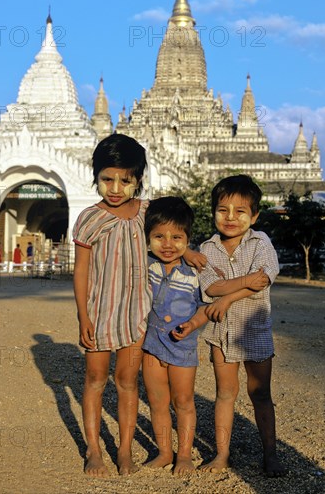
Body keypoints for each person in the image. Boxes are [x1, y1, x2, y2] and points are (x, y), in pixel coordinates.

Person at [72, 134, 206, 477]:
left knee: (128, 381)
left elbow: (169, 234)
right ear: (96, 177)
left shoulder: (147, 213)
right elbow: (82, 271)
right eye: (107, 179)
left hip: (136, 314)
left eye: (125, 180)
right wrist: (83, 315)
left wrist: (188, 251)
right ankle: (93, 451)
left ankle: (125, 450)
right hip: (100, 312)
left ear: (139, 180)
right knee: (95, 379)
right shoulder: (89, 219)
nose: (115, 187)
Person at [198, 174, 286, 477]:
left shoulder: (261, 242)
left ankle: (270, 454)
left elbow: (264, 280)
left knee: (260, 393)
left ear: (255, 215)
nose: (230, 218)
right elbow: (211, 289)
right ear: (213, 212)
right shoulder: (206, 249)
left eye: (240, 211)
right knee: (225, 393)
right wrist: (243, 283)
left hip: (255, 330)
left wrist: (227, 298)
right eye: (223, 210)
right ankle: (222, 453)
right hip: (220, 334)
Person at [142, 196, 209, 476]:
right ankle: (164, 451)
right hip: (151, 346)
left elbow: (207, 306)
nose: (167, 244)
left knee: (183, 402)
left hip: (183, 349)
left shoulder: (195, 272)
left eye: (177, 237)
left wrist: (192, 325)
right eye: (159, 236)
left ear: (188, 238)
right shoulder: (146, 264)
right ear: (147, 237)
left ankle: (183, 455)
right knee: (157, 403)